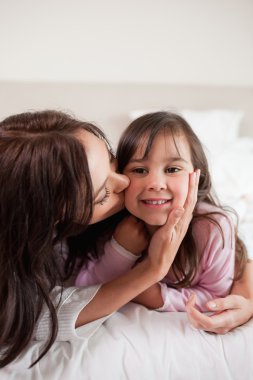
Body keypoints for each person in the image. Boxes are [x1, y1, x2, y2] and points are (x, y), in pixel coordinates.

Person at [0, 111, 252, 371]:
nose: (126, 181)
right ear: (54, 219)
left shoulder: (202, 222)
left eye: (111, 159)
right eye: (102, 194)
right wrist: (145, 267)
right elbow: (50, 307)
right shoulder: (48, 247)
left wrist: (247, 291)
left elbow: (227, 264)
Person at [75, 111, 248, 313]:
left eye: (172, 169)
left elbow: (216, 295)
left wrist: (153, 294)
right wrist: (121, 250)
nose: (155, 184)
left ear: (196, 177)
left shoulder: (212, 227)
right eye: (139, 170)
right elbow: (83, 289)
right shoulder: (111, 220)